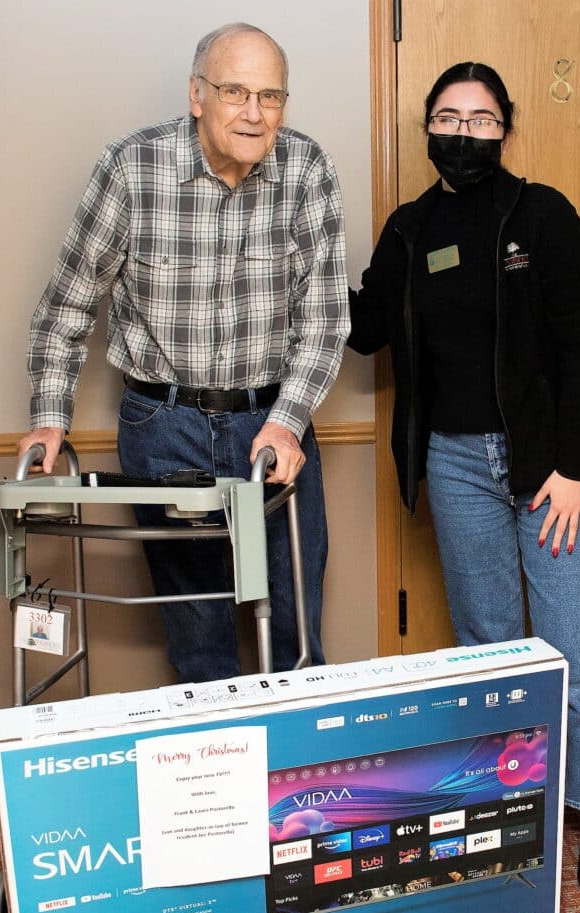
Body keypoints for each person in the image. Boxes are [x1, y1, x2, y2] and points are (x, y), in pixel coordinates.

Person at [348, 63, 580, 898]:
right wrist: (301, 260)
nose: (461, 133)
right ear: (428, 128)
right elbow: (364, 332)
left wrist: (576, 466)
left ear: (505, 128)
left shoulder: (545, 216)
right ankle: (514, 807)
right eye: (446, 117)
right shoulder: (409, 228)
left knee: (572, 645)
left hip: (553, 472)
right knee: (493, 646)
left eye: (479, 119)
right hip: (456, 464)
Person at [17, 23, 349, 683]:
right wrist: (49, 419)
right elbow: (66, 306)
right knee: (199, 635)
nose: (254, 113)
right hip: (164, 428)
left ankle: (298, 781)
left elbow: (325, 319)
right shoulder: (132, 168)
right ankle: (218, 781)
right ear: (197, 95)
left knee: (294, 625)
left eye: (271, 96)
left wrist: (286, 421)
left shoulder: (308, 169)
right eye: (235, 92)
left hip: (271, 418)